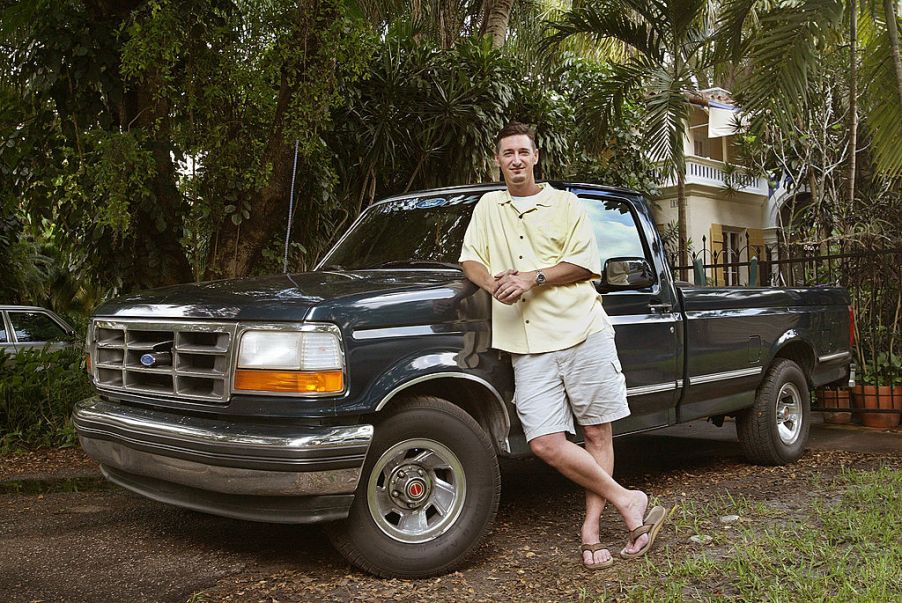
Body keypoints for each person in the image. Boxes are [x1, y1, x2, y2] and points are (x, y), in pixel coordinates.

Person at [458, 122, 666, 570]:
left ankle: (592, 529)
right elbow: (470, 258)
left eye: (522, 152)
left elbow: (583, 264)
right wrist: (493, 284)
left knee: (596, 432)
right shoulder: (488, 207)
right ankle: (629, 501)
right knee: (546, 442)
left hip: (581, 330)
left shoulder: (565, 204)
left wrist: (530, 277)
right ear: (498, 160)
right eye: (507, 153)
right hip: (527, 340)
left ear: (536, 157)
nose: (515, 159)